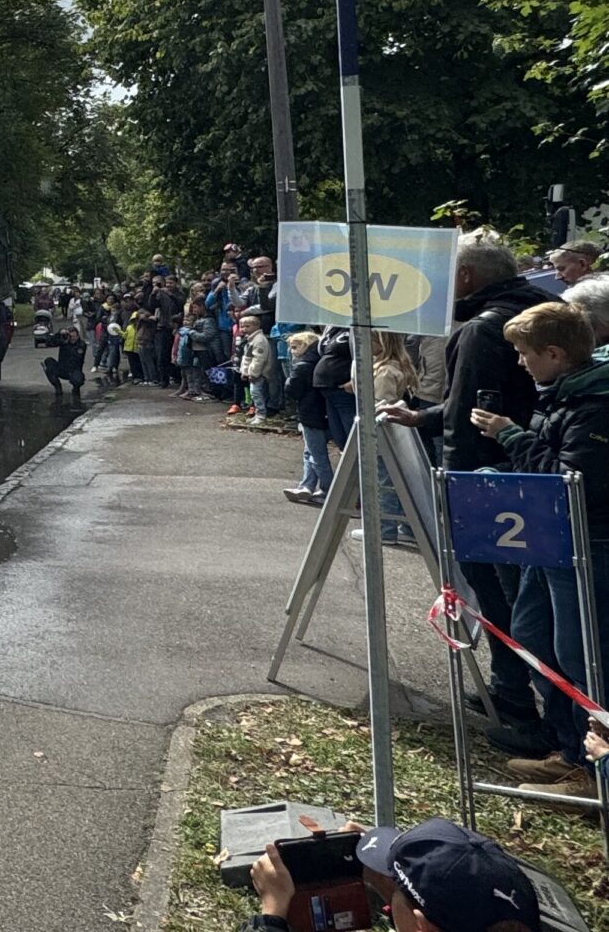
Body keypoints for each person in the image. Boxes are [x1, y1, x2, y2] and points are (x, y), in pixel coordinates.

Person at [380, 238, 559, 754]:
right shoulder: (539, 309)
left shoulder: (482, 328)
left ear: (464, 278)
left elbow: (469, 414)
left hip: (487, 478)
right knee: (528, 595)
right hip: (534, 466)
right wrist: (421, 416)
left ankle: (517, 702)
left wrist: (452, 478)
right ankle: (519, 693)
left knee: (497, 591)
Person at [466, 301, 609, 796]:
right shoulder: (564, 393)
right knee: (531, 633)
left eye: (526, 353)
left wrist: (510, 435)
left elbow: (573, 483)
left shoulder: (596, 403)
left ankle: (594, 769)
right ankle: (567, 749)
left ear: (555, 352)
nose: (521, 364)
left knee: (583, 655)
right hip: (548, 541)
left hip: (587, 546)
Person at [244, 817, 546, 932]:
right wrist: (382, 877)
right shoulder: (519, 914)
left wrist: (272, 912)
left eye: (396, 885)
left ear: (421, 926)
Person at [283, 331, 331, 505]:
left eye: (295, 347)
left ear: (304, 345)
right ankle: (307, 485)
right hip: (324, 411)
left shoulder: (302, 365)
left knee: (316, 454)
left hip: (310, 412)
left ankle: (327, 489)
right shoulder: (322, 361)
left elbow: (292, 390)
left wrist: (289, 380)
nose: (292, 351)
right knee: (310, 451)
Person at [239, 313, 283, 421]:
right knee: (256, 393)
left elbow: (258, 359)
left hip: (259, 373)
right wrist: (245, 371)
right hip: (252, 372)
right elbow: (247, 357)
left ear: (257, 326)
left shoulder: (259, 340)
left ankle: (261, 415)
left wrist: (253, 373)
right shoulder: (250, 339)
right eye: (242, 326)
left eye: (247, 326)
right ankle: (258, 414)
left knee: (256, 393)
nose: (244, 329)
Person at [42, 325, 85, 403]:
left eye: (74, 336)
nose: (72, 338)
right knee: (49, 362)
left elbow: (76, 355)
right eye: (70, 336)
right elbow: (49, 342)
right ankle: (58, 387)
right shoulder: (64, 342)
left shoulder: (81, 344)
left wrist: (66, 343)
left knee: (78, 379)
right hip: (62, 368)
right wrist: (59, 334)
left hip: (74, 370)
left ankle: (76, 388)